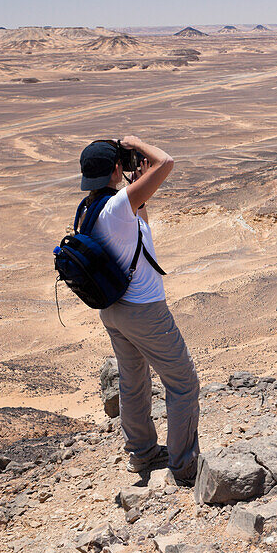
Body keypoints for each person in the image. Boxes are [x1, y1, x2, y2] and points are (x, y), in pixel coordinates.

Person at [78, 136, 199, 483]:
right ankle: (184, 465)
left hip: (114, 310)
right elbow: (166, 162)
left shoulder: (90, 207)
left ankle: (142, 453)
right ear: (116, 168)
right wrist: (137, 143)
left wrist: (136, 187)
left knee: (133, 382)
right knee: (183, 383)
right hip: (143, 310)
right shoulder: (116, 206)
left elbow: (136, 227)